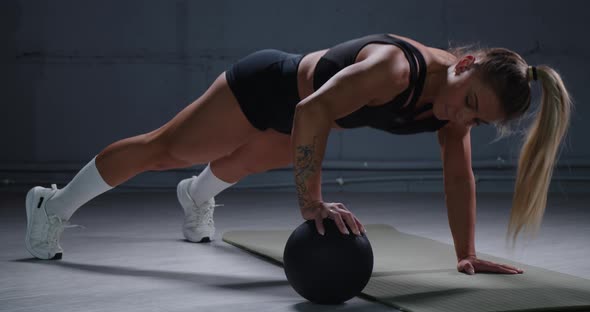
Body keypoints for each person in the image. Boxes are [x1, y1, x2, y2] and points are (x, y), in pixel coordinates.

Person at [24, 33, 572, 275]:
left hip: (303, 117)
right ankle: (51, 208)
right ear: (466, 62)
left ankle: (195, 196)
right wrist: (311, 203)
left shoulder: (453, 108)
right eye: (470, 103)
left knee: (240, 164)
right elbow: (312, 112)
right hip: (269, 86)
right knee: (165, 149)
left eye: (479, 119)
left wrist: (467, 252)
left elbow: (459, 177)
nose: (463, 119)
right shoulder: (397, 69)